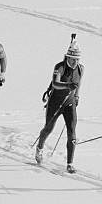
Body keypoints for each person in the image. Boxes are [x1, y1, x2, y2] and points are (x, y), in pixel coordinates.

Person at [35, 38, 84, 173]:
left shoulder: (80, 68)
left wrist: (77, 96)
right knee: (49, 128)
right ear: (67, 57)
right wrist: (68, 85)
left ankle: (69, 163)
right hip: (55, 102)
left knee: (72, 131)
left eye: (77, 59)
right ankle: (39, 147)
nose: (75, 62)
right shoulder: (60, 67)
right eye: (72, 59)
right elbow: (55, 83)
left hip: (70, 102)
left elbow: (79, 83)